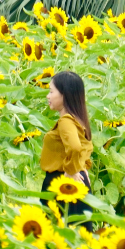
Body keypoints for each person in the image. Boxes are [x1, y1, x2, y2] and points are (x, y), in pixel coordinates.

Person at [40, 69, 95, 219]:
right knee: (78, 233)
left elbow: (75, 147)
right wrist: (81, 167)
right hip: (78, 178)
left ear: (65, 94)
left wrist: (71, 170)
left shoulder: (66, 121)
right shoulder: (79, 119)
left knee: (57, 233)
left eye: (51, 92)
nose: (48, 96)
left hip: (63, 180)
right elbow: (85, 147)